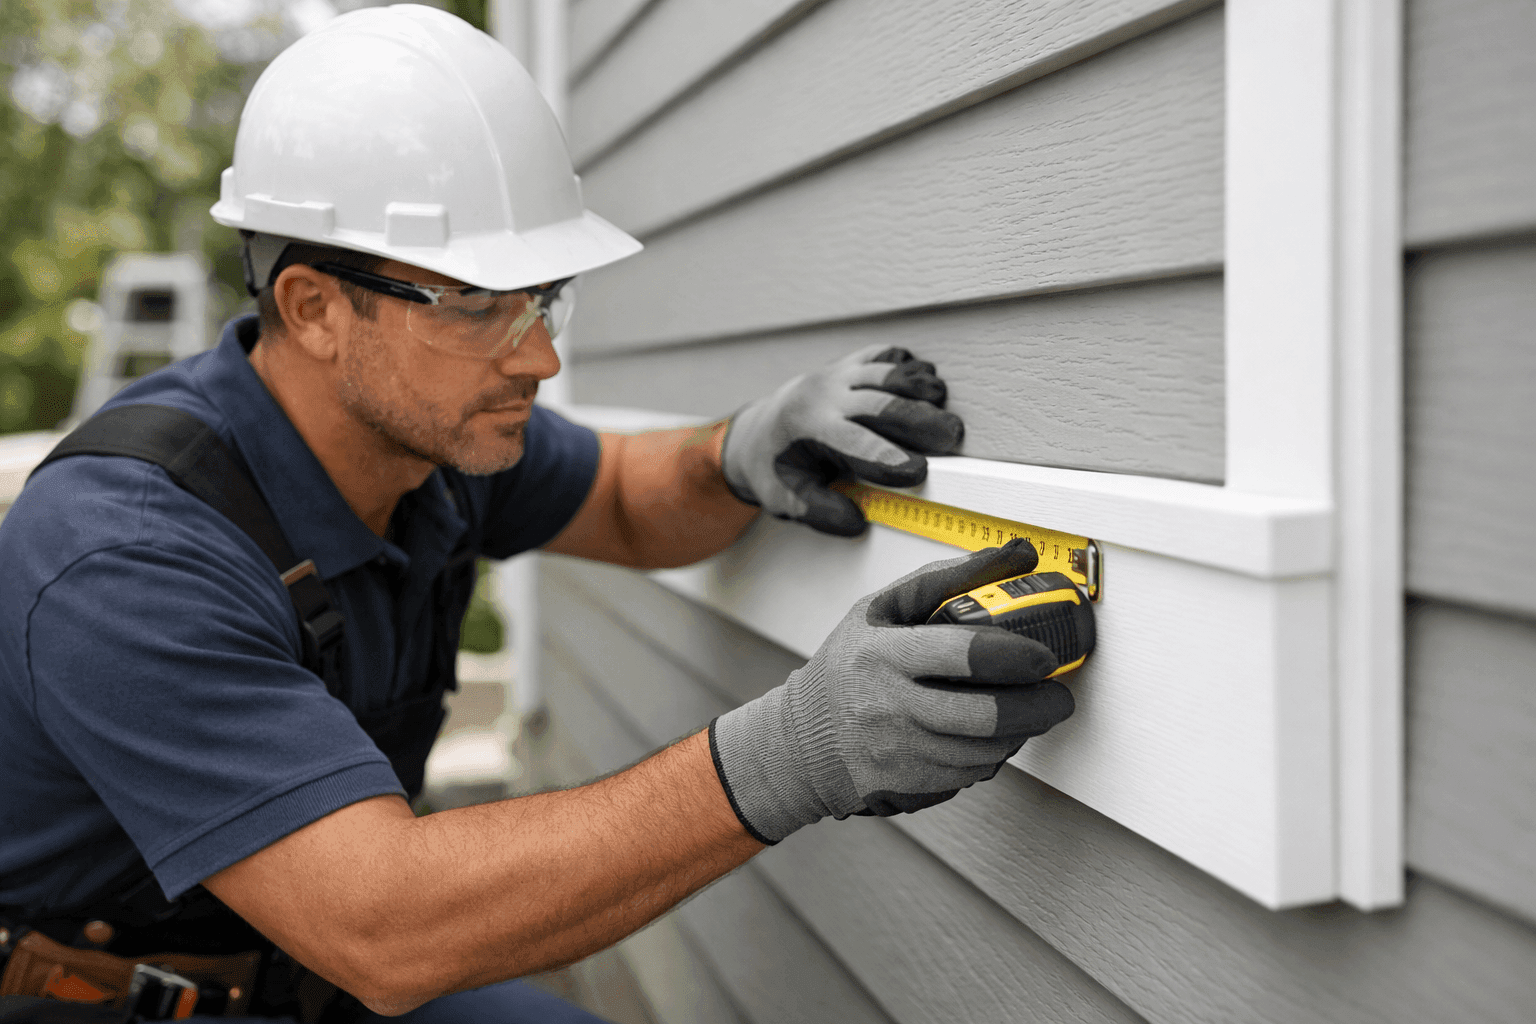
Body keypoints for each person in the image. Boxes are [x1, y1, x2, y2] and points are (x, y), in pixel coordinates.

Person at [0, 7, 1074, 1022]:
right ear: (317, 309)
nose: (541, 355)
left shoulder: (433, 438)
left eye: (543, 296)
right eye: (478, 306)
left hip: (303, 978)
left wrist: (738, 451)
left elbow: (621, 497)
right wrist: (796, 751)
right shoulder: (127, 550)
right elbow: (385, 926)